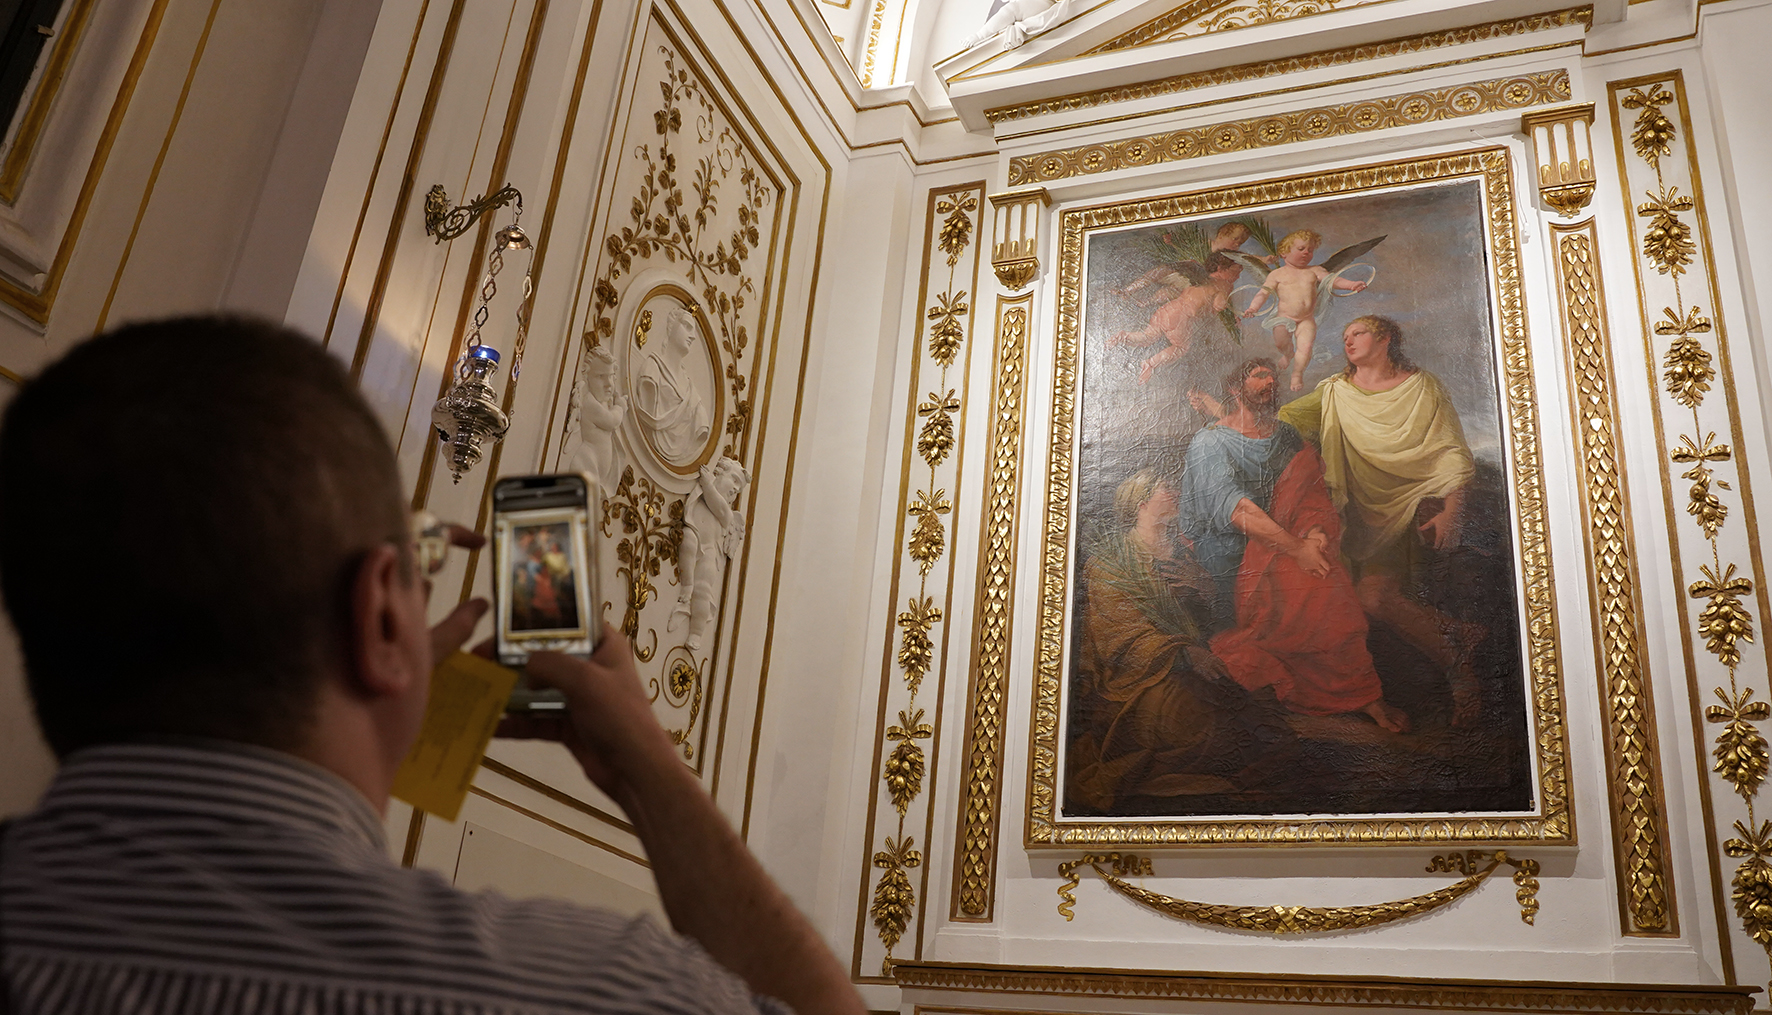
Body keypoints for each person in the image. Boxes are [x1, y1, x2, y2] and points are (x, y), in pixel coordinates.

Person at [0, 316, 864, 1015]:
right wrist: (644, 763)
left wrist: (391, 677)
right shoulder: (603, 988)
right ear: (380, 613)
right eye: (419, 571)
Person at [1179, 358, 1407, 732]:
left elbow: (1310, 492)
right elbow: (1237, 510)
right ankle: (1355, 695)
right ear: (1236, 389)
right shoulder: (1210, 442)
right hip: (1230, 552)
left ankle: (1360, 693)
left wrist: (1316, 532)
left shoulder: (1285, 436)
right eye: (1259, 375)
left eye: (1273, 375)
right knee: (1313, 583)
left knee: (1323, 573)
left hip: (1282, 540)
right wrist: (1297, 548)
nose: (1270, 381)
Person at [1278, 315, 1483, 723]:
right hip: (1353, 514)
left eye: (1358, 333)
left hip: (1410, 505)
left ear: (1385, 338)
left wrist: (1451, 511)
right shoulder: (1335, 392)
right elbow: (1285, 420)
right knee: (1342, 604)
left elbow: (1451, 452)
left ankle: (1460, 671)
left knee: (1372, 596)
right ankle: (1456, 636)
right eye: (1345, 335)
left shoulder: (1422, 387)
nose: (1348, 340)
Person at [1066, 468, 1295, 812]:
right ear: (1141, 503)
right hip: (1139, 681)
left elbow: (1214, 623)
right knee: (1204, 726)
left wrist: (1206, 589)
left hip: (1202, 663)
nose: (1174, 492)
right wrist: (1185, 654)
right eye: (1164, 487)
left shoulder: (1183, 555)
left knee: (1259, 718)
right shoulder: (1110, 564)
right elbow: (1121, 635)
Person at [1241, 229, 1370, 391]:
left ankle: (1297, 373)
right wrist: (1253, 308)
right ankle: (1288, 355)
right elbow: (1263, 293)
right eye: (1301, 249)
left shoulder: (1315, 271)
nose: (1306, 253)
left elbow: (1333, 281)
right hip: (1283, 318)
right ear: (1284, 253)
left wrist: (1351, 285)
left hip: (1306, 319)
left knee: (1306, 346)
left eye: (1310, 250)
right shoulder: (1277, 274)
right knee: (1280, 342)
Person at [1108, 252, 1245, 385]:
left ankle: (1122, 337)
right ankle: (1150, 363)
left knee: (1147, 336)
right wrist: (1230, 312)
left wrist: (1232, 316)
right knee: (1180, 348)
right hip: (1181, 319)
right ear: (1221, 268)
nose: (1238, 276)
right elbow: (1218, 305)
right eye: (1237, 272)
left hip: (1168, 310)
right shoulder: (1225, 285)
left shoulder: (1199, 278)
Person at [634, 305, 711, 464]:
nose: (693, 336)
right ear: (671, 328)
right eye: (687, 327)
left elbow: (700, 428)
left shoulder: (692, 391)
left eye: (694, 331)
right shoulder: (652, 369)